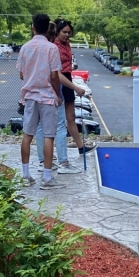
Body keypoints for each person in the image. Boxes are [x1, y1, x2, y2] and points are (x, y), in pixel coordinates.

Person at [35, 19, 91, 173]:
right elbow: (56, 74)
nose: (67, 35)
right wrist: (72, 89)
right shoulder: (53, 47)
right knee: (56, 124)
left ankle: (76, 149)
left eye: (68, 32)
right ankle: (61, 162)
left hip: (62, 79)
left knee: (65, 119)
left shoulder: (64, 44)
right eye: (63, 32)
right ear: (56, 33)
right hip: (57, 81)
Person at [18, 13, 63, 189]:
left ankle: (25, 174)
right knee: (48, 136)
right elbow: (54, 76)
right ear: (48, 29)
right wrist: (58, 95)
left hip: (30, 96)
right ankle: (47, 177)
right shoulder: (52, 48)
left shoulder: (25, 48)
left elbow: (21, 74)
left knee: (28, 134)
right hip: (47, 96)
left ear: (33, 28)